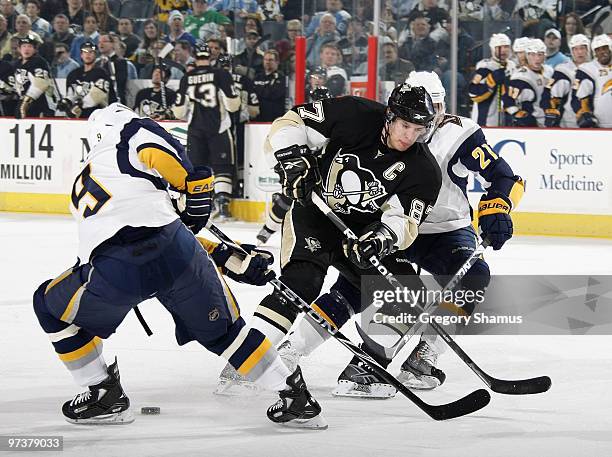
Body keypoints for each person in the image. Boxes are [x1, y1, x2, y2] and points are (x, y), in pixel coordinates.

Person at [32, 102, 326, 429]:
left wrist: (194, 201)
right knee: (228, 334)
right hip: (177, 253)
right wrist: (232, 256)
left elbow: (132, 234)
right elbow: (166, 229)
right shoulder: (128, 131)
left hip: (118, 267)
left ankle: (103, 393)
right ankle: (294, 396)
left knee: (48, 304)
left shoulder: (94, 168)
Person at [216, 83, 443, 395]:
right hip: (315, 215)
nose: (409, 136)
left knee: (404, 289)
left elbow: (404, 222)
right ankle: (247, 361)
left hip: (364, 232)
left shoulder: (423, 170)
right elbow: (290, 123)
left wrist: (380, 240)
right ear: (390, 116)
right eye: (405, 125)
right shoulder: (353, 113)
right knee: (301, 283)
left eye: (417, 129)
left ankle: (362, 370)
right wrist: (294, 161)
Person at [323, 72, 524, 394]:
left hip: (445, 230)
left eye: (438, 107)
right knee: (360, 285)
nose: (428, 121)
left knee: (473, 277)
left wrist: (497, 208)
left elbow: (503, 177)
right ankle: (365, 363)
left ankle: (424, 355)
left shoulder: (461, 134)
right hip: (393, 225)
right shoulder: (385, 126)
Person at [172, 42, 241, 221]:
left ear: (195, 57)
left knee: (197, 171)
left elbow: (178, 111)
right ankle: (223, 207)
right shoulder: (221, 74)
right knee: (222, 168)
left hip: (195, 130)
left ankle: (197, 208)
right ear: (210, 57)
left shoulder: (187, 77)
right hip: (218, 128)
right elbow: (233, 106)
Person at [541, 34, 590, 128]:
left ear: (588, 49)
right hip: (567, 120)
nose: (579, 52)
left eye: (582, 48)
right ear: (571, 51)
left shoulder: (595, 68)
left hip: (594, 119)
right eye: (575, 49)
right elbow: (549, 93)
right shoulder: (562, 69)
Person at [469, 33, 516, 127]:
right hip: (485, 120)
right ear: (492, 49)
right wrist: (490, 83)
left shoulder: (512, 65)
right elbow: (474, 94)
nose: (503, 50)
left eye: (506, 47)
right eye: (499, 47)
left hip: (505, 118)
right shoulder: (484, 66)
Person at [504, 39, 552, 127]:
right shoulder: (520, 77)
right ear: (527, 56)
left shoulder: (549, 71)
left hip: (549, 122)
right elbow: (508, 102)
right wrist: (520, 116)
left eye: (540, 54)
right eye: (533, 55)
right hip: (529, 125)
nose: (537, 58)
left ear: (544, 56)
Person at [58, 40, 110, 118]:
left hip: (97, 117)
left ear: (95, 55)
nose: (88, 54)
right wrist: (66, 102)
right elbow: (70, 94)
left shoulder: (101, 73)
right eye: (85, 52)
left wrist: (80, 105)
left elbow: (98, 95)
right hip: (78, 117)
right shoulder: (73, 74)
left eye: (91, 52)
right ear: (81, 55)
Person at [572, 34, 612, 128]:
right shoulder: (587, 70)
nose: (602, 52)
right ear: (594, 53)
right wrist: (584, 113)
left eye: (604, 48)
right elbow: (578, 97)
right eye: (598, 49)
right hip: (600, 124)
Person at [13, 34, 54, 118]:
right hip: (22, 101)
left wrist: (25, 103)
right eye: (24, 46)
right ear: (19, 49)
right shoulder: (16, 64)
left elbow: (41, 84)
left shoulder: (39, 62)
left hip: (40, 103)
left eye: (30, 46)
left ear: (35, 50)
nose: (26, 49)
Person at [253, 49, 286, 122]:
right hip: (258, 119)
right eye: (266, 59)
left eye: (271, 60)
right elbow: (252, 93)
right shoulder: (257, 77)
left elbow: (272, 94)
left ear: (277, 62)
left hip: (275, 120)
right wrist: (266, 89)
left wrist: (259, 89)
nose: (267, 62)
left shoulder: (281, 78)